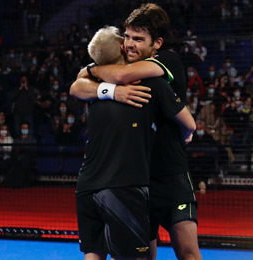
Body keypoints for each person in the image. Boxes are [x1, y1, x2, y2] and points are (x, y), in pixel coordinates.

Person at [71, 4, 202, 260]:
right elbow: (77, 87)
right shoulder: (117, 78)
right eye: (127, 37)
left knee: (188, 252)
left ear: (156, 44)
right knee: (144, 255)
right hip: (135, 181)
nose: (129, 44)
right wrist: (108, 87)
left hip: (170, 176)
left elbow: (122, 74)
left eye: (138, 39)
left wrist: (91, 70)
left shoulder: (167, 61)